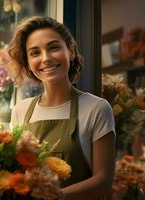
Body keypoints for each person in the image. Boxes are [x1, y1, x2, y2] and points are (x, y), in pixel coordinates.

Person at [8, 16, 115, 200]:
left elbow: (103, 181)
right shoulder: (20, 111)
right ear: (28, 63)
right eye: (35, 53)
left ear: (71, 51)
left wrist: (55, 197)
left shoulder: (96, 108)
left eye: (53, 47)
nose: (46, 58)